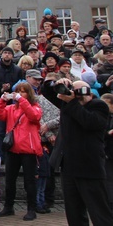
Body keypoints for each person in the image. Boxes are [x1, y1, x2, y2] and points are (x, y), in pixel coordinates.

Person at [44, 78, 112, 225]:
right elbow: (47, 92)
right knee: (74, 213)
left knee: (99, 212)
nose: (77, 94)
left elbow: (89, 122)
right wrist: (56, 83)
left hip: (89, 167)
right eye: (74, 90)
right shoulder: (68, 104)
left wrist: (73, 101)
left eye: (81, 91)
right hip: (68, 166)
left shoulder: (98, 105)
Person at [0, 82, 42, 220]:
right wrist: (2, 100)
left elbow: (34, 116)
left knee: (29, 181)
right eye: (18, 91)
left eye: (24, 91)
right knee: (10, 180)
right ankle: (9, 207)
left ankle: (31, 209)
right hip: (13, 149)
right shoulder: (10, 109)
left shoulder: (35, 107)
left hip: (29, 150)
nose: (20, 93)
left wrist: (22, 100)